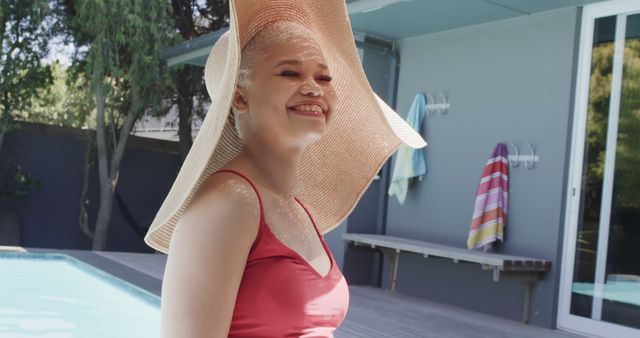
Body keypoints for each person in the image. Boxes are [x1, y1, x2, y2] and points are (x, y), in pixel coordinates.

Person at [144, 1, 427, 337]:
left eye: (323, 76)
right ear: (240, 98)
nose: (314, 87)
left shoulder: (298, 210)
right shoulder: (229, 202)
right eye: (290, 73)